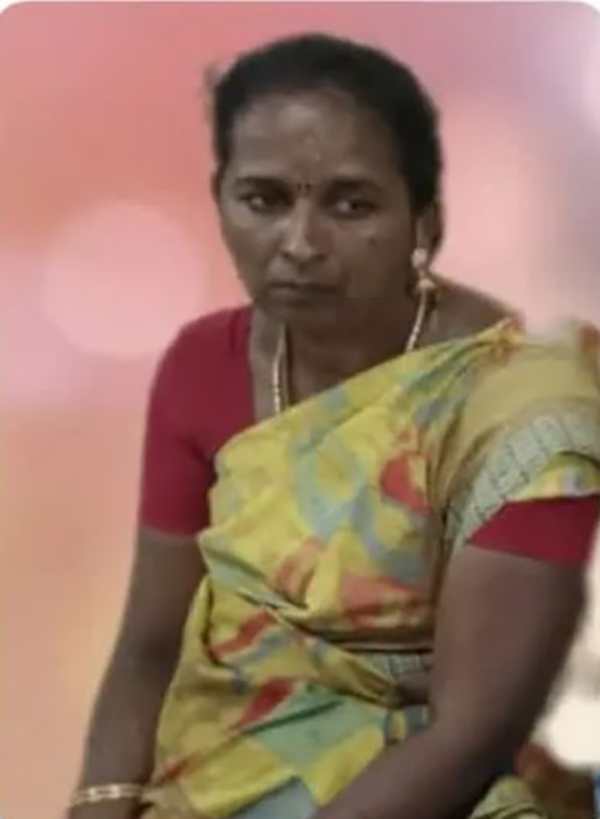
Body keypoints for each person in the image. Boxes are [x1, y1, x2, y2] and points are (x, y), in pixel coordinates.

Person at [68, 33, 600, 819]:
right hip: (217, 772)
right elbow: (149, 644)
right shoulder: (202, 365)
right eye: (264, 200)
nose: (300, 244)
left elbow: (472, 732)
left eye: (351, 205)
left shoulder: (526, 406)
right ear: (220, 200)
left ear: (426, 223)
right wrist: (100, 802)